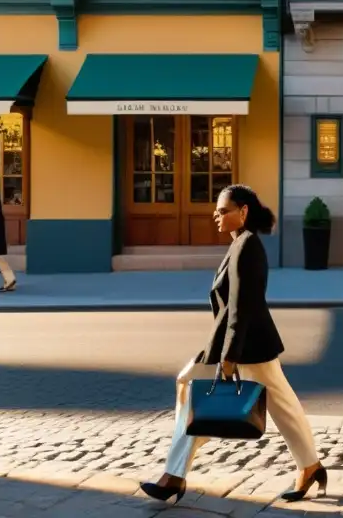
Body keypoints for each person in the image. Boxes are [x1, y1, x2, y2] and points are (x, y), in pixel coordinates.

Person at [140, 184, 326, 505]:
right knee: (277, 405)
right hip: (245, 343)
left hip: (246, 345)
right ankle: (310, 466)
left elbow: (241, 306)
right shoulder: (240, 243)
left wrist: (229, 358)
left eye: (223, 210)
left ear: (243, 212)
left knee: (196, 396)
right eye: (217, 210)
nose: (216, 215)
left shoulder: (247, 246)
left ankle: (174, 475)